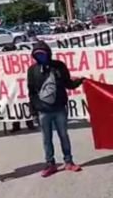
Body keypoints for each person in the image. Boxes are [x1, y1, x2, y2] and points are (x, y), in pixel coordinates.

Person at [27, 41, 83, 177]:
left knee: (63, 135)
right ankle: (50, 164)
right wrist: (34, 111)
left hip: (59, 109)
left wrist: (79, 81)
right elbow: (32, 92)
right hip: (43, 111)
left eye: (43, 54)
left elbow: (68, 83)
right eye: (37, 55)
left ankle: (69, 161)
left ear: (48, 53)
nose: (41, 57)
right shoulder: (32, 70)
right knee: (47, 139)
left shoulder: (59, 66)